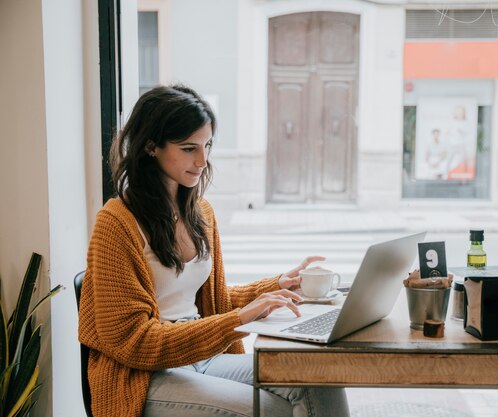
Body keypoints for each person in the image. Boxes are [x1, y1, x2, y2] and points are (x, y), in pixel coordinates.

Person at [77, 85, 350, 417]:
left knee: (320, 377)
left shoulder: (200, 213)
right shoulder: (116, 224)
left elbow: (213, 300)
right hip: (143, 376)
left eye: (207, 145)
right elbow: (133, 341)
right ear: (151, 146)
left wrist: (275, 286)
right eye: (189, 147)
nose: (203, 160)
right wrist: (239, 319)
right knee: (270, 410)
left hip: (202, 358)